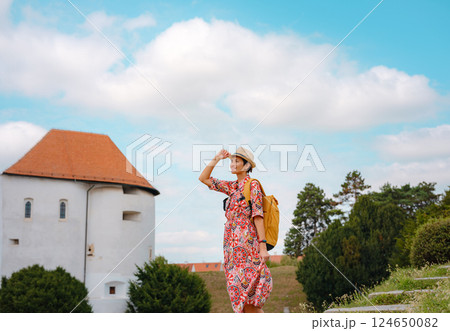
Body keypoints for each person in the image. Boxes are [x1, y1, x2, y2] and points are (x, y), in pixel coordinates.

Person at [198, 147, 273, 313]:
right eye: (232, 160)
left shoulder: (252, 185)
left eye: (236, 161)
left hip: (248, 245)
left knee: (249, 299)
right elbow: (203, 178)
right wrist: (217, 158)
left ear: (246, 166)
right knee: (240, 296)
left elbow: (257, 216)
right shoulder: (231, 187)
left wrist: (262, 247)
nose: (232, 164)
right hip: (231, 248)